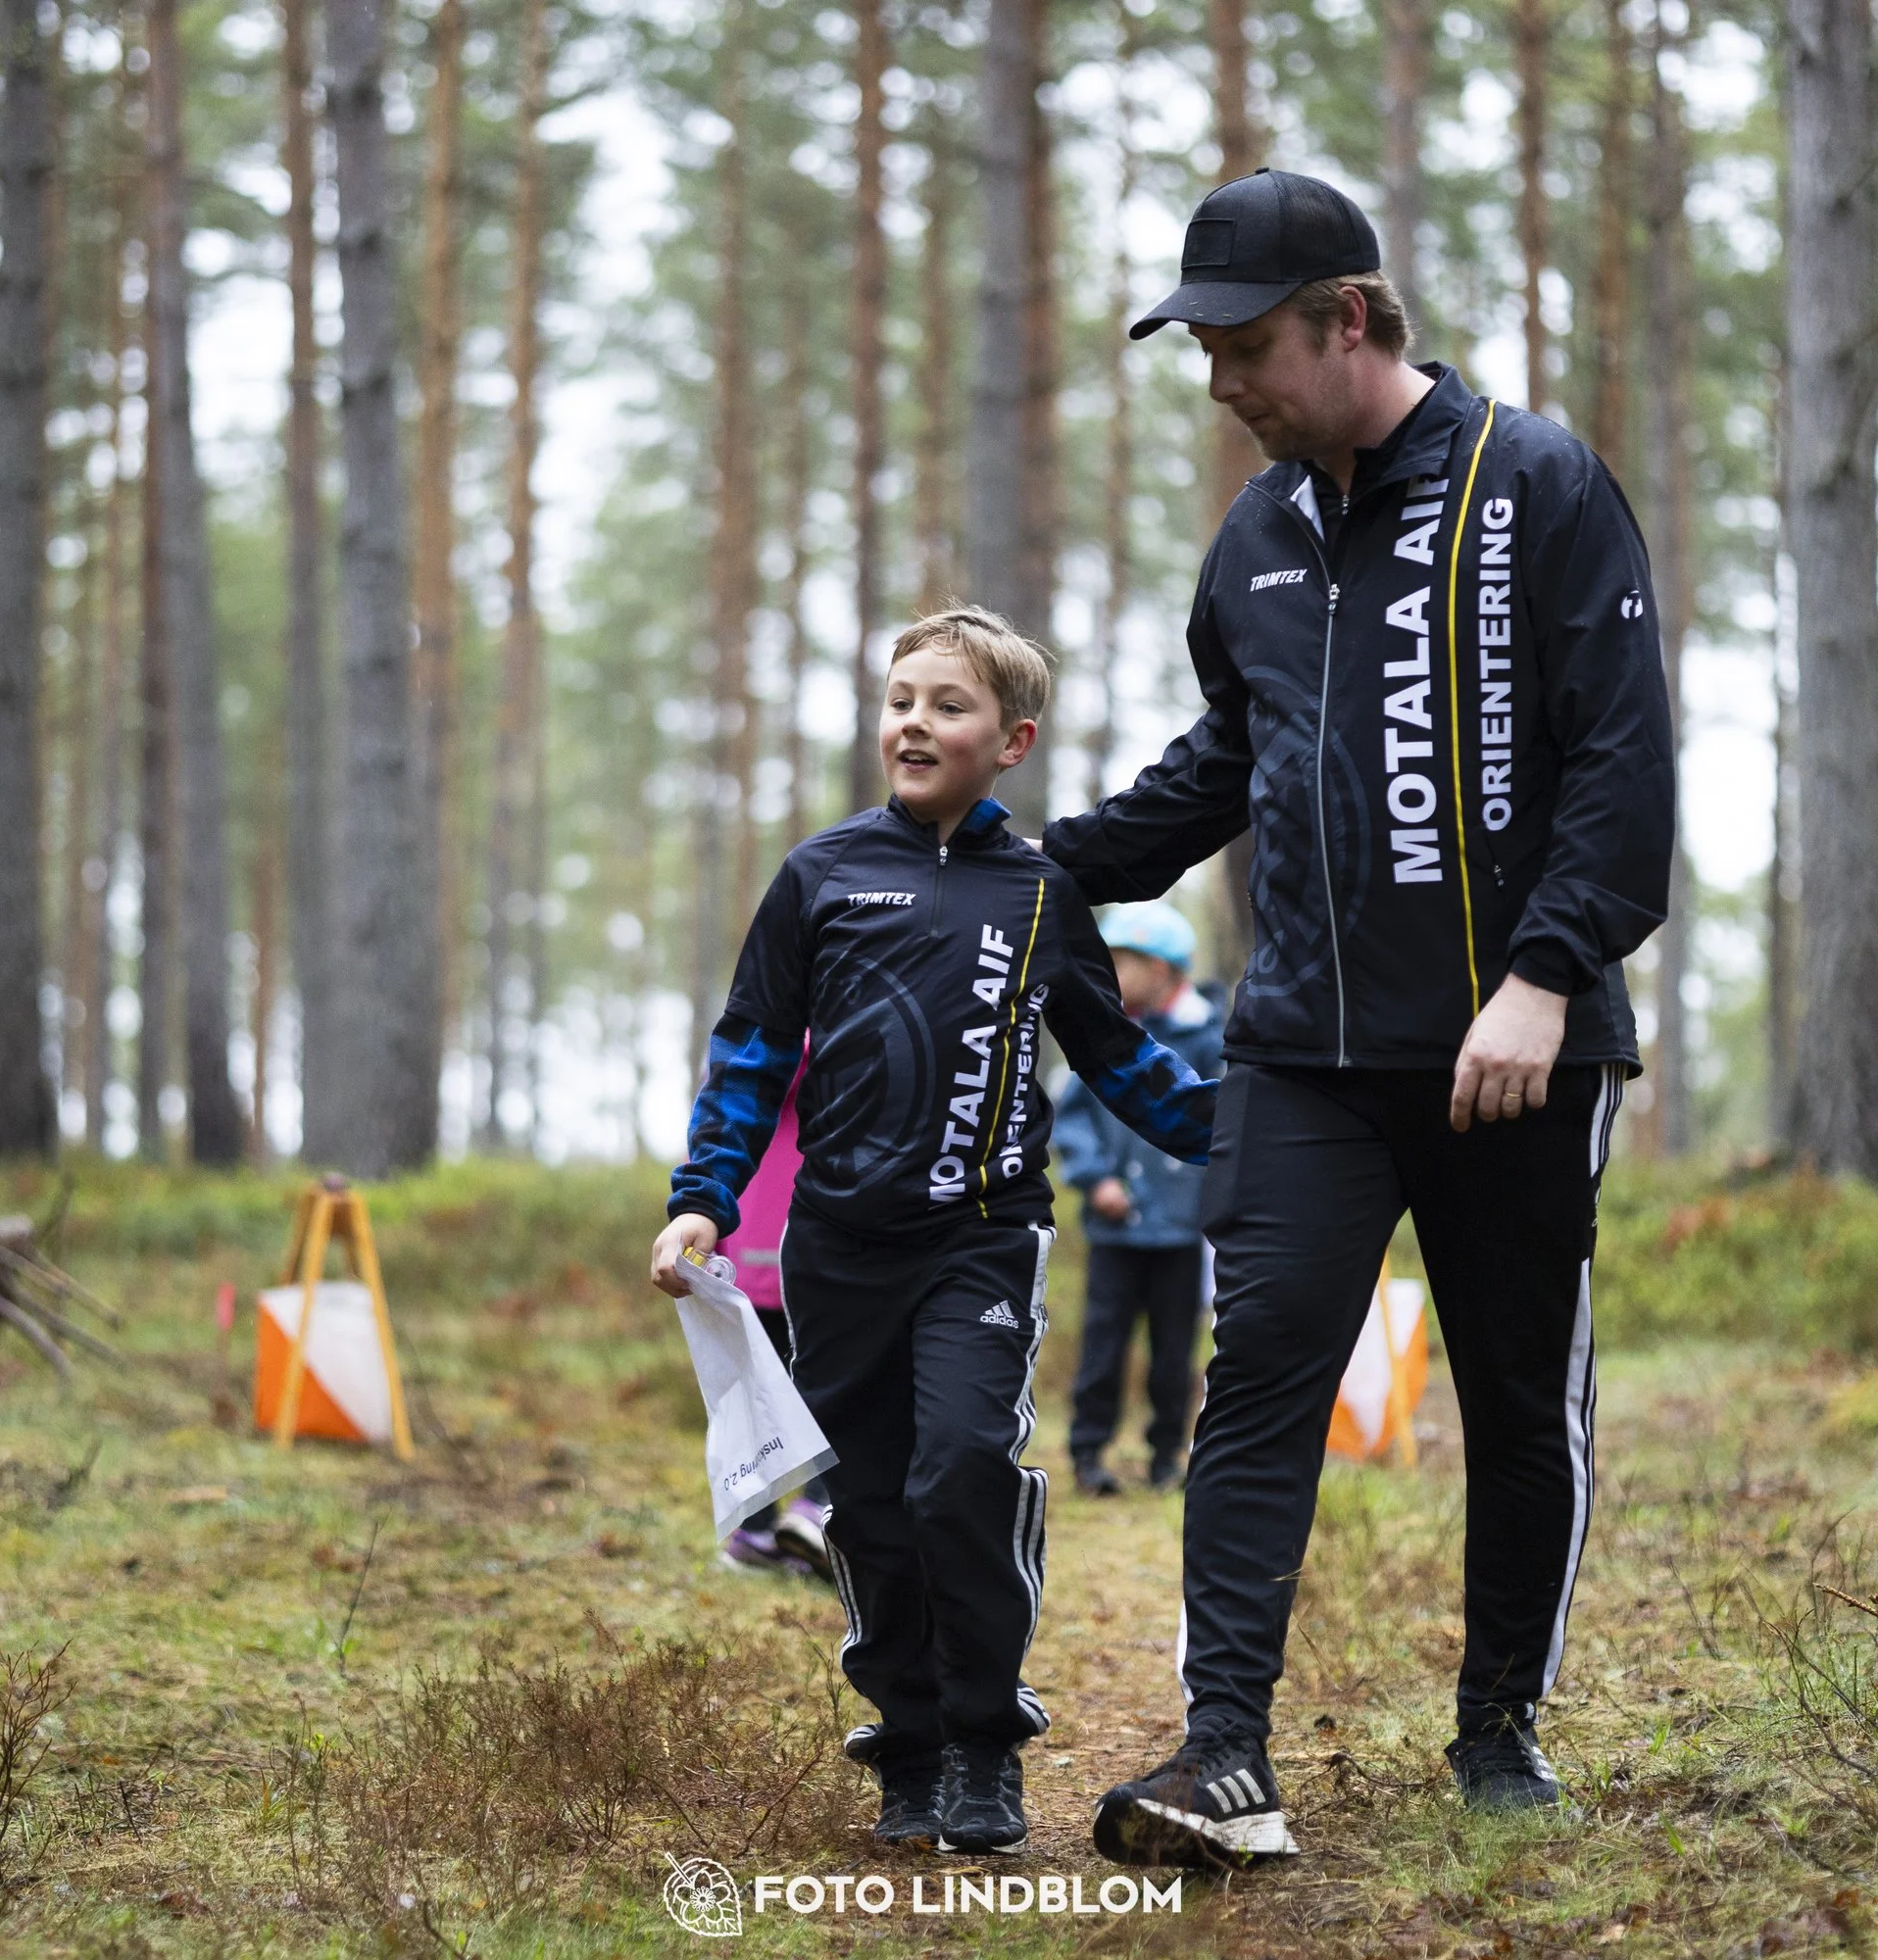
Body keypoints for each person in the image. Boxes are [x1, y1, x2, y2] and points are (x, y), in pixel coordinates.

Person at [1039, 169, 1674, 1863]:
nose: (1223, 383)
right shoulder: (1255, 537)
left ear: (1349, 321)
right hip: (1303, 1052)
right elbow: (1225, 764)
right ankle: (1223, 1754)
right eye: (1204, 353)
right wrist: (1044, 866)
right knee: (1258, 1380)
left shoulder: (1535, 483)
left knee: (1518, 1399)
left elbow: (1624, 768)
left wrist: (1543, 980)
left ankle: (1499, 1728)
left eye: (1246, 346)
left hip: (1512, 1056)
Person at [650, 607, 1217, 1858]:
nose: (913, 722)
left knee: (960, 1469)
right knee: (867, 1503)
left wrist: (1240, 1140)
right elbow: (750, 1052)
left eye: (946, 705)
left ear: (1010, 740)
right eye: (899, 699)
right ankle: (907, 1747)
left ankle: (983, 1738)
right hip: (837, 1247)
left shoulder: (1041, 891)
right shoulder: (819, 874)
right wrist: (704, 1195)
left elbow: (1118, 1058)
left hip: (984, 1241)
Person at [1051, 901, 1224, 1496]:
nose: (1109, 975)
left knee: (1174, 1354)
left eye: (1119, 963)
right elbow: (1072, 1116)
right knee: (1103, 1346)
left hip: (1181, 1230)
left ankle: (1166, 1456)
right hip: (1115, 1231)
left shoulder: (1208, 1037)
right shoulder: (1104, 1036)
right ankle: (1088, 1453)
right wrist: (1094, 1176)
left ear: (1160, 968)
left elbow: (1222, 1120)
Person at [713, 1049, 833, 1580]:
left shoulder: (748, 1041)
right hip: (805, 1233)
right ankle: (815, 1509)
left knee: (757, 1391)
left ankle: (757, 1530)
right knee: (830, 1382)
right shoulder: (826, 1036)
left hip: (753, 1236)